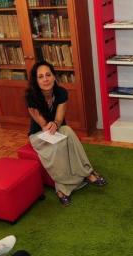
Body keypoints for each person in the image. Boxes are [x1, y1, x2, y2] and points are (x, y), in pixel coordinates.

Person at [26, 61, 107, 206]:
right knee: (57, 146)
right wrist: (48, 125)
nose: (45, 79)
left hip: (57, 129)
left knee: (68, 130)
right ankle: (62, 188)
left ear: (54, 77)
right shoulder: (31, 97)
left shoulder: (61, 92)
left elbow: (59, 119)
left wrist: (55, 124)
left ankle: (87, 172)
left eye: (48, 75)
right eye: (40, 77)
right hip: (39, 135)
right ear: (36, 81)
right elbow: (43, 125)